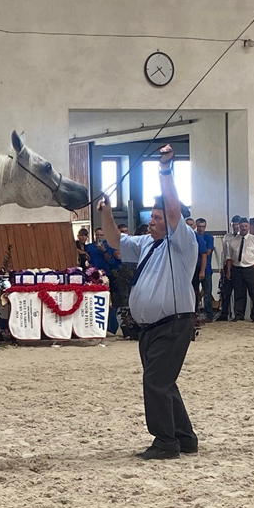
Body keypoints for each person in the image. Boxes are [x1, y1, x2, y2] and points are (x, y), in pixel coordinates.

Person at [98, 144, 198, 460]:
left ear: (171, 221)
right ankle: (184, 437)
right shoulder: (146, 244)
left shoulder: (182, 242)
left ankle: (165, 442)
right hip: (151, 329)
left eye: (157, 217)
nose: (152, 221)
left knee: (155, 382)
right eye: (151, 217)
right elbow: (115, 240)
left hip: (173, 324)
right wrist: (105, 211)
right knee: (163, 383)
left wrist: (165, 169)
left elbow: (172, 209)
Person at [226, 218, 254, 323]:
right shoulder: (232, 241)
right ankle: (239, 314)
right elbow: (229, 258)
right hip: (237, 269)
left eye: (245, 226)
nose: (243, 228)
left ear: (249, 226)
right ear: (238, 227)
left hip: (251, 268)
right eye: (241, 226)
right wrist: (228, 271)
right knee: (238, 293)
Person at [215, 216, 242, 321]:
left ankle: (238, 314)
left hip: (238, 265)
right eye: (233, 225)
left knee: (239, 291)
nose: (235, 227)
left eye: (237, 225)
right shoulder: (227, 237)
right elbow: (224, 253)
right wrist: (222, 266)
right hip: (227, 264)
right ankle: (224, 313)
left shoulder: (242, 237)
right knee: (226, 291)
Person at [194, 219, 214, 321]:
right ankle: (194, 314)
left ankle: (209, 315)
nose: (201, 229)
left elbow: (207, 253)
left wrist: (199, 253)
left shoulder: (208, 237)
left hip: (206, 270)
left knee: (207, 293)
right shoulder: (193, 236)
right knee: (194, 293)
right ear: (196, 226)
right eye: (199, 226)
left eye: (203, 227)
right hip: (194, 269)